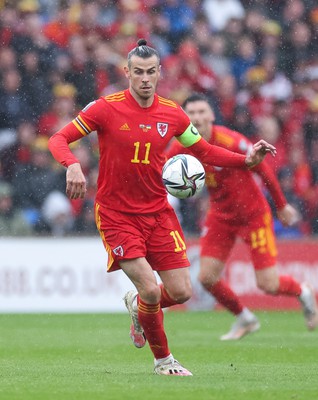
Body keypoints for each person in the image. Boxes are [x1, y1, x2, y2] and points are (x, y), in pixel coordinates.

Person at [48, 39, 276, 376]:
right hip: (116, 213)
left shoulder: (172, 113)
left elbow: (205, 151)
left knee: (182, 291)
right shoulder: (104, 108)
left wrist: (245, 160)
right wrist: (72, 164)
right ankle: (163, 360)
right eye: (137, 72)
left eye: (150, 72)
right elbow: (58, 139)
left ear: (159, 73)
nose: (143, 78)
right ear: (127, 73)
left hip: (158, 213)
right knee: (151, 290)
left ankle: (138, 307)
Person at [166, 92, 318, 340]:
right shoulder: (179, 146)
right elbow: (161, 168)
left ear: (212, 116)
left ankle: (303, 291)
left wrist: (281, 205)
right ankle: (245, 318)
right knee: (205, 277)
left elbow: (262, 166)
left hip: (253, 215)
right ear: (185, 117)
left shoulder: (229, 139)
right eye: (191, 113)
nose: (197, 117)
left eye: (202, 112)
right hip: (220, 217)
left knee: (267, 284)